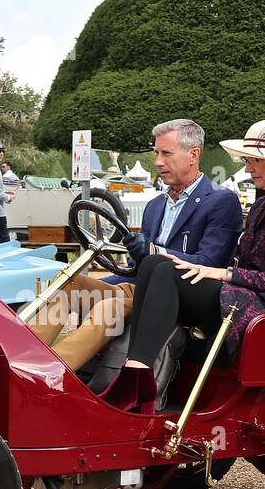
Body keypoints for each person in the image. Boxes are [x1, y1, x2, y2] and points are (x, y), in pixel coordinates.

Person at [102, 119, 265, 414]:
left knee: (162, 265)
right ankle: (137, 371)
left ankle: (135, 379)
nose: (248, 168)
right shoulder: (263, 204)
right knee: (155, 262)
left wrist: (225, 273)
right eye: (248, 161)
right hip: (245, 296)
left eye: (255, 161)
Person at [29, 118, 241, 371]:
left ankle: (50, 373)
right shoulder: (154, 207)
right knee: (67, 283)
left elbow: (210, 263)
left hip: (176, 299)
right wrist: (111, 276)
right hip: (138, 289)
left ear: (193, 155)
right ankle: (23, 359)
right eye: (157, 153)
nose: (158, 162)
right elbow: (133, 269)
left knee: (109, 306)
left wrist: (154, 251)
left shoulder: (221, 201)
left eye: (166, 154)